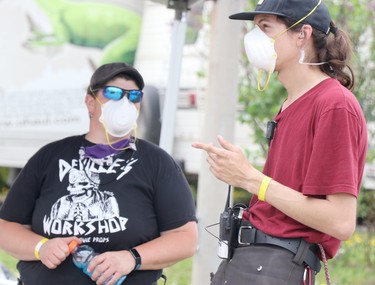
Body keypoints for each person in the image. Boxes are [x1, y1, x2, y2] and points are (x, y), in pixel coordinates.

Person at [192, 0, 367, 284]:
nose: (253, 38)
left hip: (277, 266)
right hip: (252, 261)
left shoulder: (334, 104)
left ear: (302, 34)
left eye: (265, 27)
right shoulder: (291, 103)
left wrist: (251, 179)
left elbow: (340, 221)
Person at [0, 62, 198, 285]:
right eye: (113, 93)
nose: (124, 102)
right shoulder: (48, 158)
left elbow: (185, 238)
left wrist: (131, 258)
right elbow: (6, 227)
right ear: (90, 102)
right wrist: (40, 247)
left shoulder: (157, 163)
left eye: (134, 96)